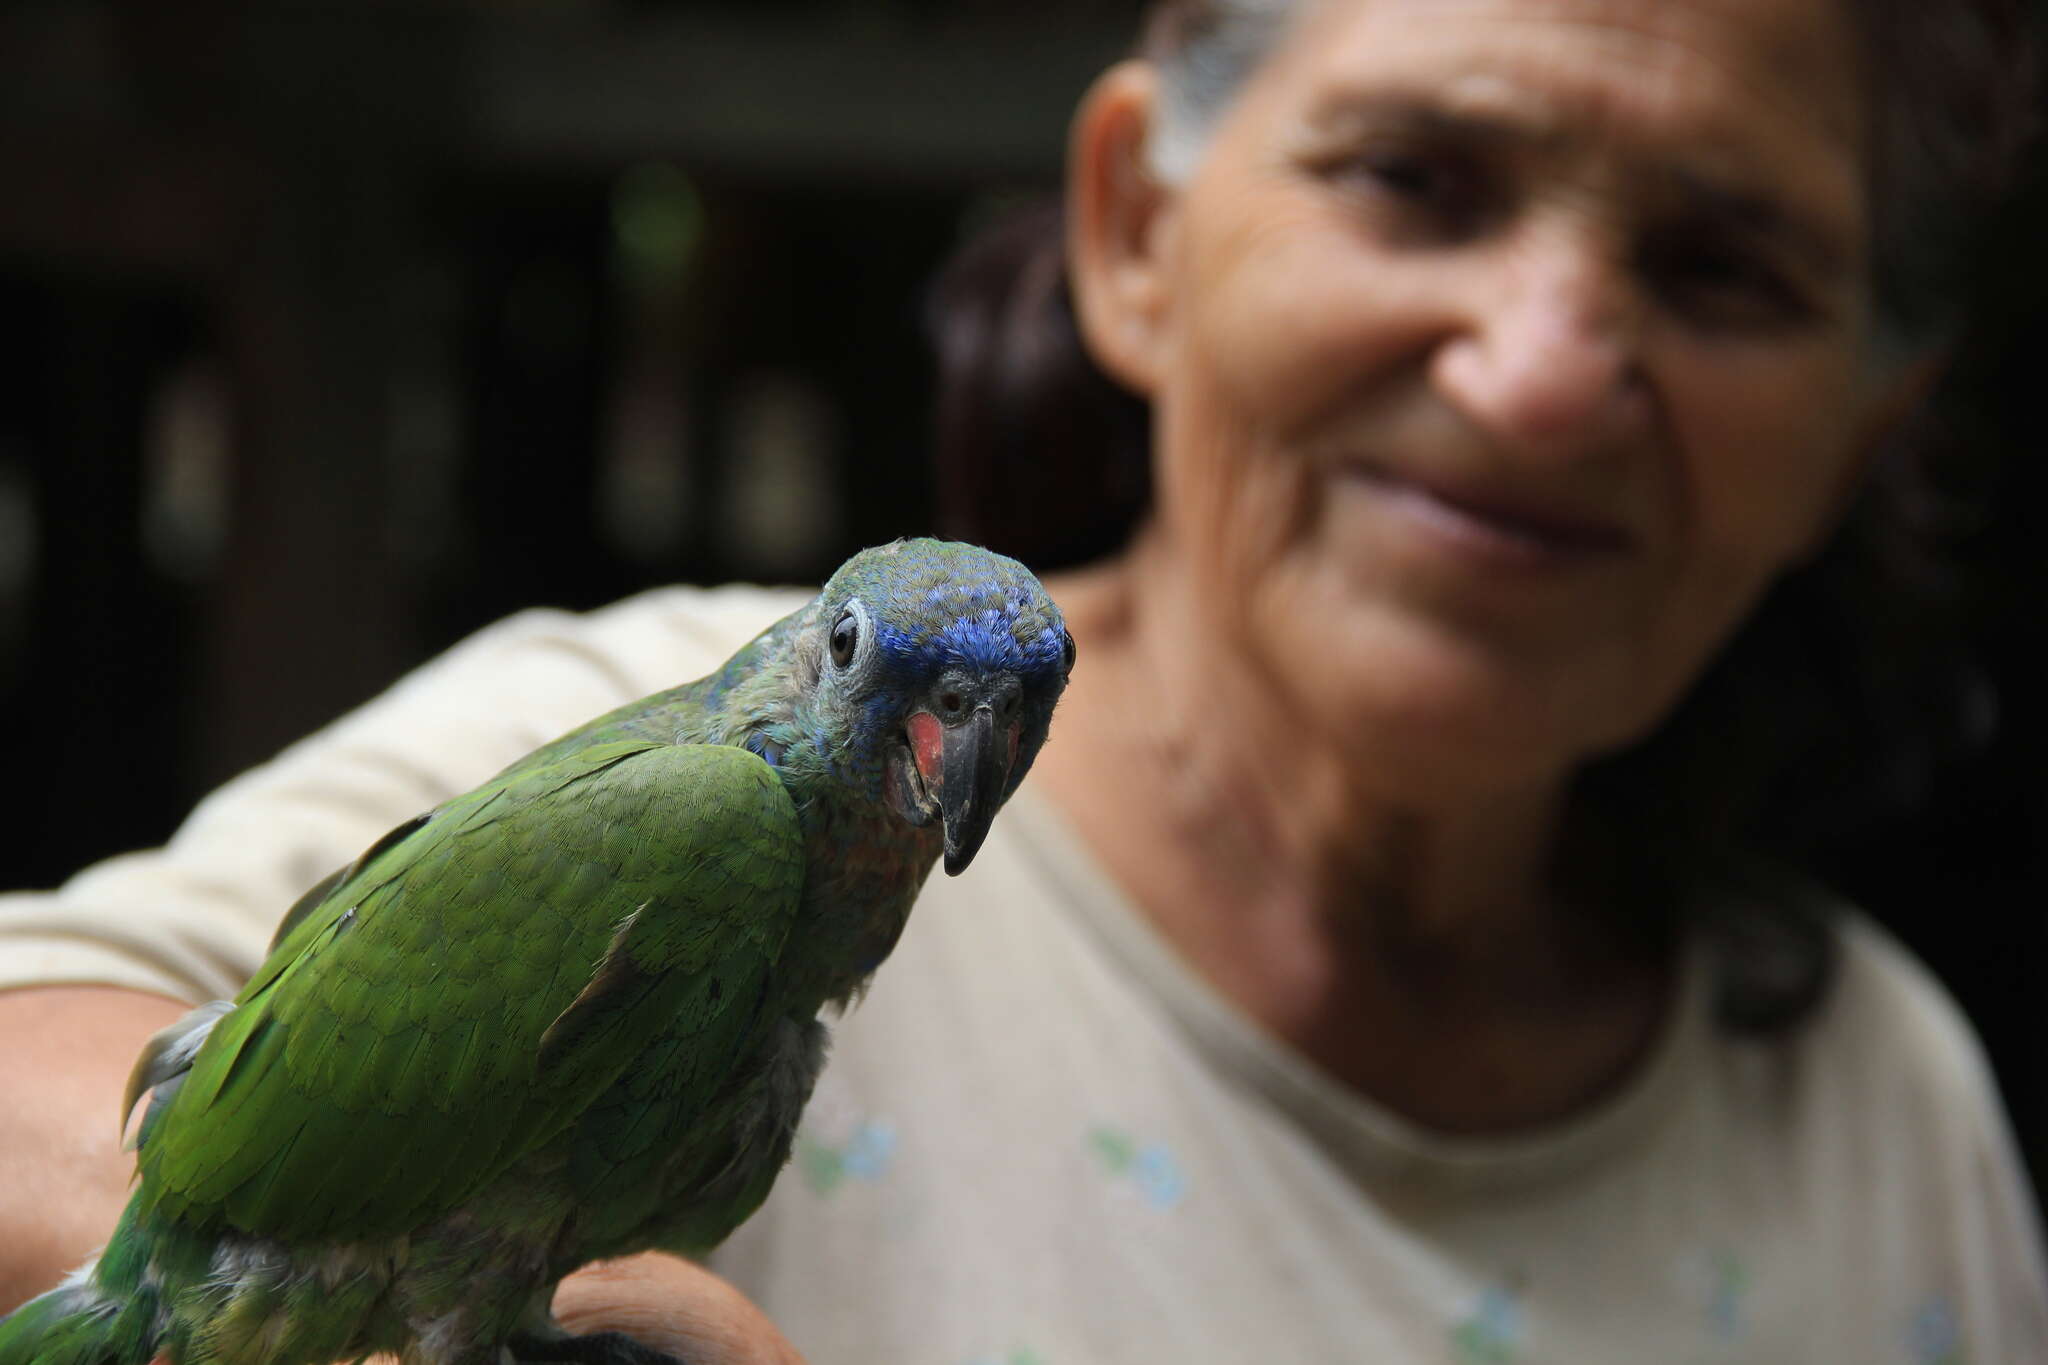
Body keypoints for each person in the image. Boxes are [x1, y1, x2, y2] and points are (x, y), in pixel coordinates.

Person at [4, 0, 2045, 1359]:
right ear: (1135, 227)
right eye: (1417, 180)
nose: (1535, 371)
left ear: (1871, 421)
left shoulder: (1886, 1118)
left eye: (1720, 272)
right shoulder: (643, 768)